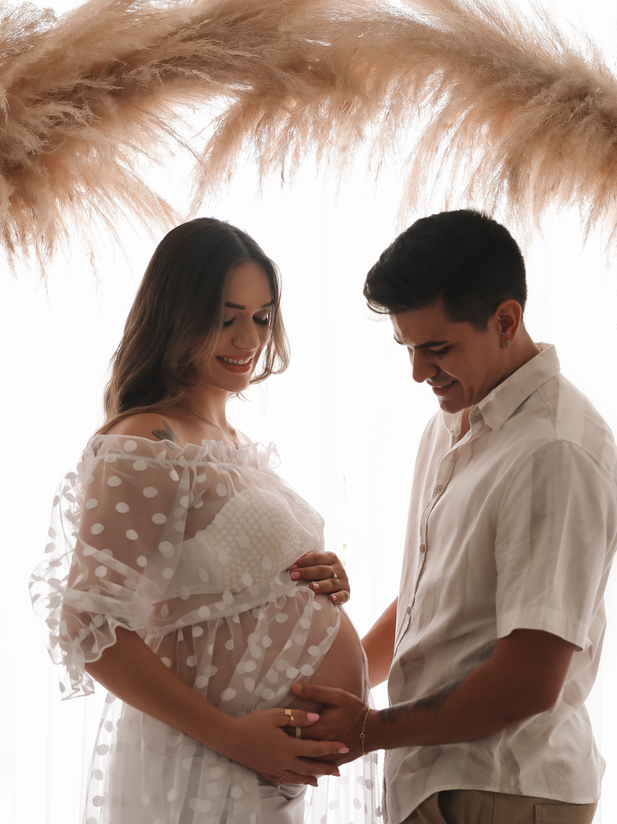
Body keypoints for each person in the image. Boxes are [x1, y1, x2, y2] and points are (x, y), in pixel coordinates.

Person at [29, 218, 378, 824]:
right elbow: (88, 626)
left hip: (257, 773)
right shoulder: (147, 441)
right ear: (177, 315)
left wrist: (312, 578)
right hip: (211, 762)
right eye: (225, 317)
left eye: (262, 317)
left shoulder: (234, 444)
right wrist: (233, 737)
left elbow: (215, 588)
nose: (249, 338)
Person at [295, 210, 617, 824]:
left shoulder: (554, 452)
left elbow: (528, 682)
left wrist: (369, 730)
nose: (418, 372)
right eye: (408, 348)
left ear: (505, 321)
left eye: (437, 348)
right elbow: (436, 601)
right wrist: (342, 687)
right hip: (441, 779)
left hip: (505, 787)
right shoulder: (453, 419)